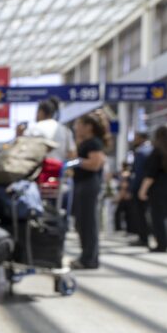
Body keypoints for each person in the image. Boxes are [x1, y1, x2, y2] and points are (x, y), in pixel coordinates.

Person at [71, 112, 111, 269]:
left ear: (88, 127)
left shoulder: (94, 143)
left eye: (79, 124)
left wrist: (77, 162)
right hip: (84, 184)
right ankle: (87, 256)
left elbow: (95, 164)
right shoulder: (87, 142)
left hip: (88, 185)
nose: (76, 127)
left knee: (88, 222)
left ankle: (89, 259)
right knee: (83, 222)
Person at [138, 125, 167, 252]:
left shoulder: (157, 152)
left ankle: (161, 244)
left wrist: (143, 190)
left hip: (159, 189)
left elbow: (151, 174)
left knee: (158, 217)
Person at [24, 97, 75, 161]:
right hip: (59, 166)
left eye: (37, 112)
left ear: (41, 112)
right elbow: (72, 155)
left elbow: (24, 150)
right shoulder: (66, 131)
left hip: (38, 166)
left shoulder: (34, 128)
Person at [130, 131, 153, 246]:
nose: (134, 140)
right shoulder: (153, 149)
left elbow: (138, 173)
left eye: (136, 137)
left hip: (140, 187)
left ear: (141, 138)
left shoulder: (141, 152)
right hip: (153, 187)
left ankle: (143, 238)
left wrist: (134, 188)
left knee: (140, 214)